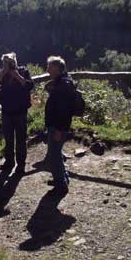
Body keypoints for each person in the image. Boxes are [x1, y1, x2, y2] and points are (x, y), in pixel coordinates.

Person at [0, 52, 34, 174]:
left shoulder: (23, 71)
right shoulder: (3, 75)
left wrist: (17, 75)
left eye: (9, 63)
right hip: (7, 112)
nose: (7, 65)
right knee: (8, 139)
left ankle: (21, 165)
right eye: (5, 63)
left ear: (15, 62)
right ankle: (9, 162)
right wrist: (3, 73)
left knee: (21, 139)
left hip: (20, 111)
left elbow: (30, 85)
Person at [44, 55, 76, 195]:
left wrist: (58, 129)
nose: (47, 69)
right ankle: (62, 178)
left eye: (49, 67)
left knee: (54, 156)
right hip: (58, 126)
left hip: (58, 127)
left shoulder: (62, 85)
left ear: (57, 68)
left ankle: (61, 185)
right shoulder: (62, 82)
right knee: (56, 154)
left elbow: (63, 111)